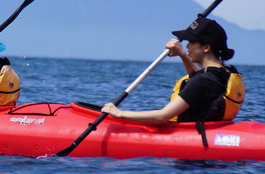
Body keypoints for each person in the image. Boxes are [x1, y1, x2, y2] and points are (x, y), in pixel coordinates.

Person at [101, 17, 244, 131]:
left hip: (189, 150)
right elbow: (200, 81)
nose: (187, 46)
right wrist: (182, 54)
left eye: (191, 42)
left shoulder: (205, 80)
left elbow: (162, 116)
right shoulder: (224, 74)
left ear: (206, 47)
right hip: (208, 130)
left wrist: (120, 113)